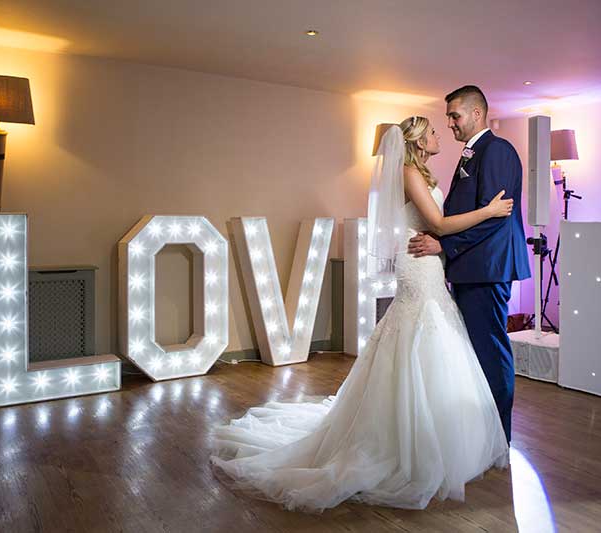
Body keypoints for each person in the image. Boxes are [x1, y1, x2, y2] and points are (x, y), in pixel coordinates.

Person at [210, 114, 512, 512]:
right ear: (419, 142)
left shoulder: (421, 173)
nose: (440, 134)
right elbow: (438, 223)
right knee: (422, 332)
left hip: (429, 262)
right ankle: (411, 441)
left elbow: (436, 225)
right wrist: (489, 212)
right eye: (433, 132)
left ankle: (438, 433)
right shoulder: (408, 173)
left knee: (430, 333)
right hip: (418, 264)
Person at [409, 85, 531, 443]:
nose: (450, 123)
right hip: (470, 267)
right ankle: (480, 434)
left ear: (477, 114)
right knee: (474, 350)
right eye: (448, 117)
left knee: (490, 350)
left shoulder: (498, 150)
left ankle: (499, 438)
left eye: (455, 115)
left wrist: (444, 246)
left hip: (486, 268)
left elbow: (495, 217)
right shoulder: (472, 153)